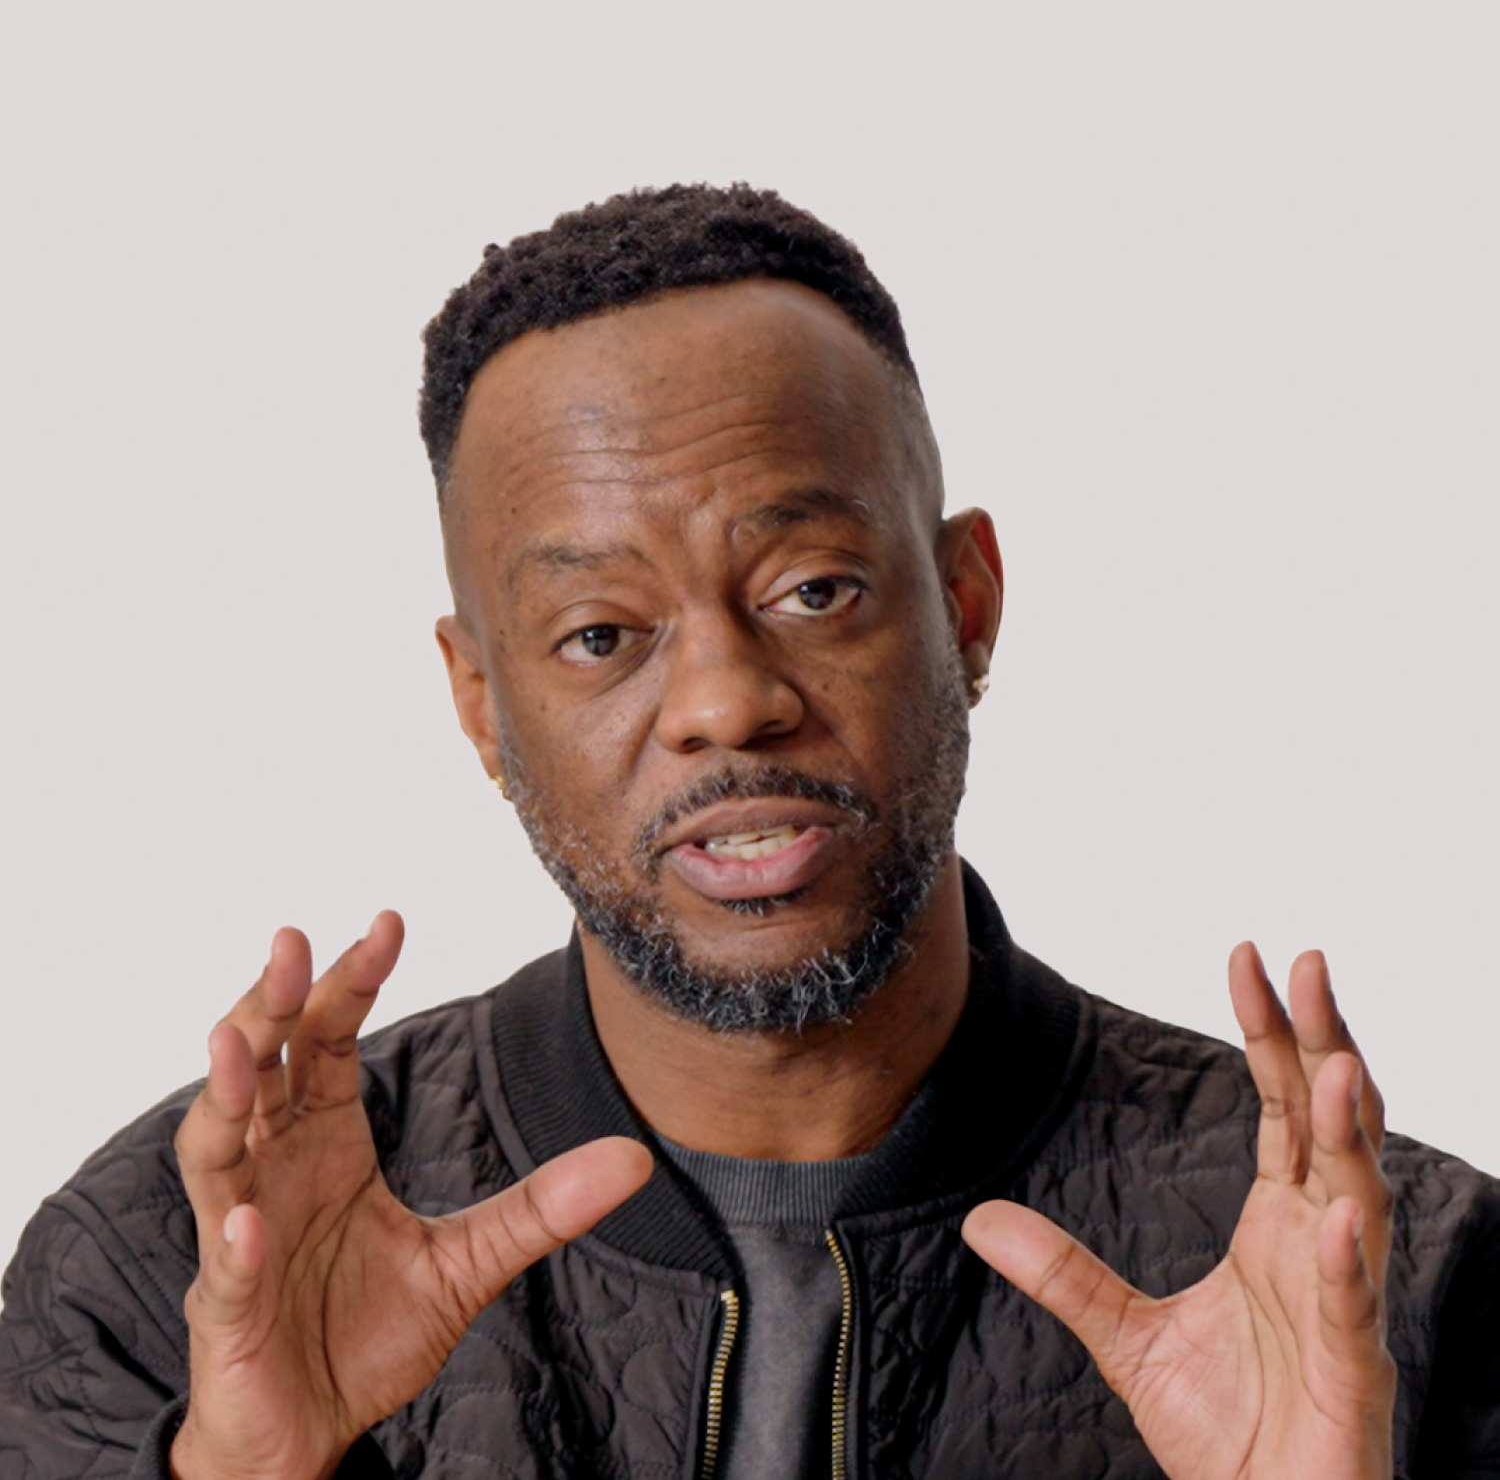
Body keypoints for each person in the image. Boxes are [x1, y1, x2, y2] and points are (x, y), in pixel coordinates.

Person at [2, 184, 1496, 1480]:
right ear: (479, 702)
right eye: (599, 635)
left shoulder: (1397, 1277)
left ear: (964, 604)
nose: (725, 703)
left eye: (813, 590)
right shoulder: (179, 1261)